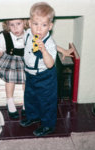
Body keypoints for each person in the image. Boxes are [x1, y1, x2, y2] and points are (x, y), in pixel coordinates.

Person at [20, 2, 71, 137]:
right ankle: (33, 116)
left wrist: (43, 51)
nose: (38, 29)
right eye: (35, 24)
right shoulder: (28, 35)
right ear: (30, 23)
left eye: (43, 25)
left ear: (50, 26)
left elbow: (50, 64)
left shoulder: (49, 43)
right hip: (30, 75)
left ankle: (48, 125)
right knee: (30, 97)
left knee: (46, 101)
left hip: (45, 77)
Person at [0, 19, 28, 119]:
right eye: (12, 25)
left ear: (24, 23)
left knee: (28, 76)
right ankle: (10, 101)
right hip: (10, 59)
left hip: (26, 59)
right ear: (7, 26)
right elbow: (0, 54)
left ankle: (27, 102)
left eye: (18, 24)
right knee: (10, 76)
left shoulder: (29, 34)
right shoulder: (4, 36)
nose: (15, 28)